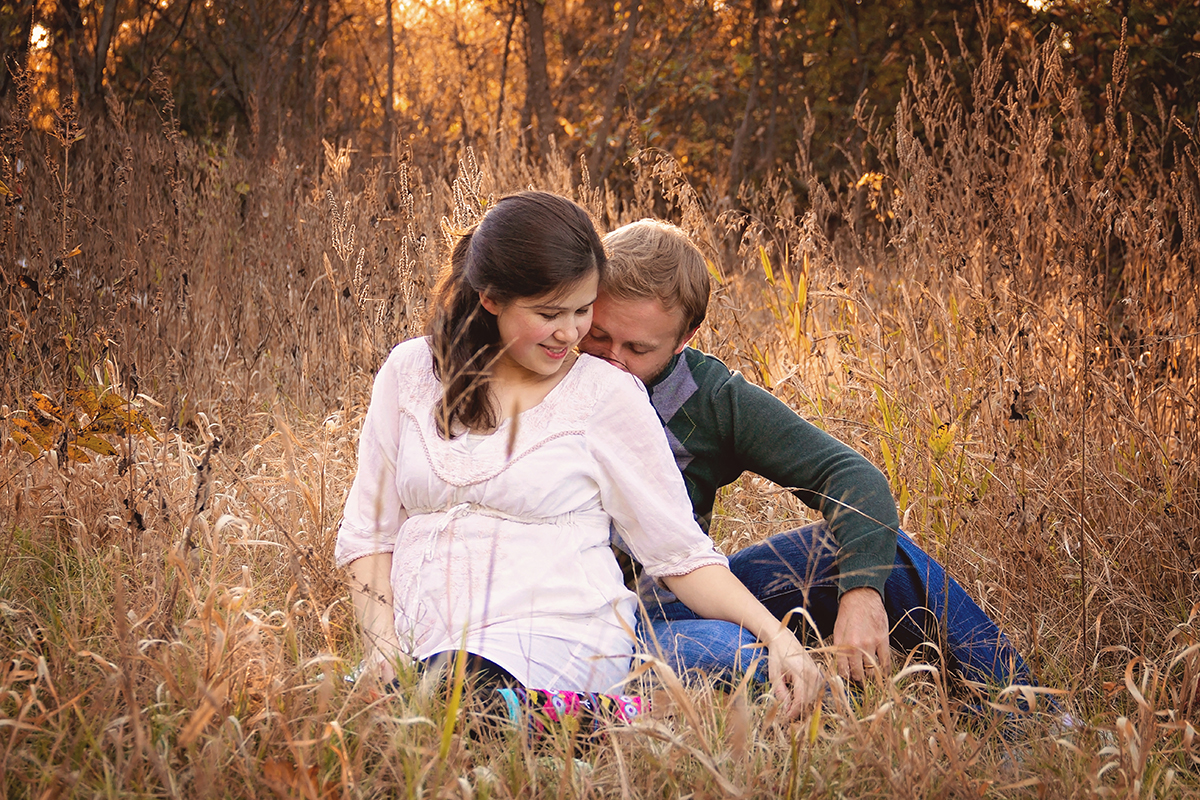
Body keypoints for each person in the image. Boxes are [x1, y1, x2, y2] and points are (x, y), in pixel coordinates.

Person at [335, 193, 821, 718]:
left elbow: (680, 554)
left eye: (583, 310)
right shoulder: (410, 373)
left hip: (556, 634)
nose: (571, 334)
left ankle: (552, 711)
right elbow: (370, 533)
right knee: (418, 698)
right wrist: (381, 645)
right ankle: (610, 719)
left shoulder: (606, 393)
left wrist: (777, 635)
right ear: (492, 298)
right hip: (427, 636)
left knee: (454, 695)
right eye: (549, 313)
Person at [580, 219, 1035, 694]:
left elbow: (850, 477)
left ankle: (1027, 717)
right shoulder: (551, 370)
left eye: (637, 348)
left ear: (685, 337)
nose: (610, 357)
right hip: (600, 626)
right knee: (736, 658)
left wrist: (861, 592)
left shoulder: (709, 397)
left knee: (887, 556)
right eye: (597, 334)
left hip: (690, 596)